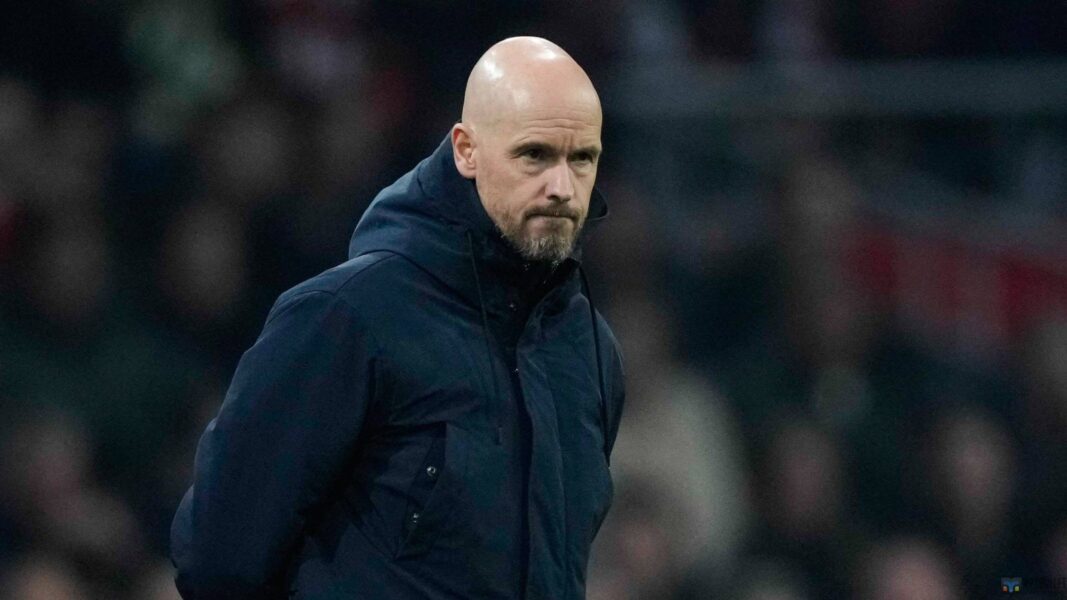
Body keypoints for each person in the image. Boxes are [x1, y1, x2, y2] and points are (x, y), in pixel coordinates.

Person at [170, 36, 625, 600]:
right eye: (534, 154)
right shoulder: (349, 315)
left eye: (582, 159)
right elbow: (218, 558)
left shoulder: (589, 348)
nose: (562, 187)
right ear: (466, 150)